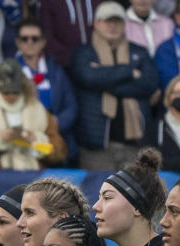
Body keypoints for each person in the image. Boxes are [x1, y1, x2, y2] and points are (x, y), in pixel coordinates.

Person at [71, 4, 158, 171]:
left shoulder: (139, 52)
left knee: (134, 195)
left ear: (124, 24)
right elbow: (88, 77)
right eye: (107, 21)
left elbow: (149, 84)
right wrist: (131, 72)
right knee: (96, 195)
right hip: (96, 146)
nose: (112, 26)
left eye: (117, 21)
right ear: (96, 23)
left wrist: (104, 81)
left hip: (135, 145)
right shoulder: (83, 53)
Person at [0, 59, 66, 169]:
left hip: (35, 175)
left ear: (23, 88)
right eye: (6, 92)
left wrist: (35, 139)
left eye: (15, 92)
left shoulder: (39, 110)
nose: (11, 96)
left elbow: (59, 152)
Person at [11, 18, 77, 156]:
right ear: (18, 42)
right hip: (21, 141)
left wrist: (54, 125)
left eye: (35, 38)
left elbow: (71, 106)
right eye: (24, 38)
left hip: (54, 139)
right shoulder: (9, 72)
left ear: (43, 42)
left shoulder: (56, 71)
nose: (30, 42)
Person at [36, 0, 96, 70]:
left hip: (97, 62)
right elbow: (47, 37)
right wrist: (73, 59)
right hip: (63, 65)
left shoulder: (97, 2)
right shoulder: (49, 2)